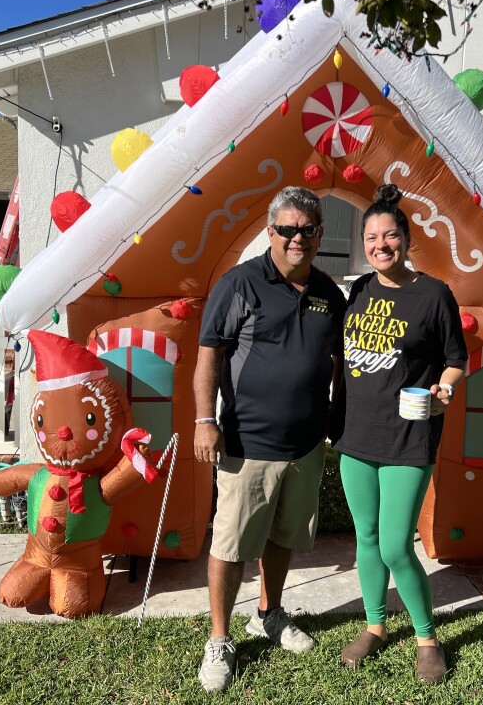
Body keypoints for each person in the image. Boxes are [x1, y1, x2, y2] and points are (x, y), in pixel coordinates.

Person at [193, 186, 347, 693]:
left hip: (305, 444)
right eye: (286, 229)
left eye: (306, 229)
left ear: (320, 234)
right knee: (232, 544)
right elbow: (209, 358)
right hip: (246, 443)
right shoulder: (240, 284)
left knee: (285, 537)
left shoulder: (330, 293)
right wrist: (204, 420)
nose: (296, 238)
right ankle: (219, 638)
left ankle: (268, 614)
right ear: (270, 232)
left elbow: (339, 364)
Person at [333, 183, 467, 683]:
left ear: (406, 240)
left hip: (409, 438)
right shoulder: (358, 290)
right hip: (355, 435)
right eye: (371, 237)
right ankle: (375, 627)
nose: (380, 245)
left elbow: (458, 361)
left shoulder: (434, 295)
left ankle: (427, 638)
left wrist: (442, 392)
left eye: (390, 236)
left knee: (394, 545)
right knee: (365, 538)